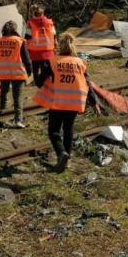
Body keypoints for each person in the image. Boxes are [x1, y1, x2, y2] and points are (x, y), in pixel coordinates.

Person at [33, 33, 98, 172]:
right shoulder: (80, 63)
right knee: (68, 130)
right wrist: (94, 102)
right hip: (75, 102)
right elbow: (88, 84)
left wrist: (50, 82)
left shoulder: (52, 61)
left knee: (54, 131)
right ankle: (67, 160)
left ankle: (61, 153)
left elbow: (39, 81)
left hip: (58, 101)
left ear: (60, 47)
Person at [0, 21, 32, 128]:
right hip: (17, 72)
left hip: (3, 72)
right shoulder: (20, 41)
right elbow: (26, 58)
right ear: (15, 29)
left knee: (4, 93)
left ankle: (2, 113)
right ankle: (18, 120)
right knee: (17, 96)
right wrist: (29, 70)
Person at [25, 5, 56, 88]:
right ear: (43, 13)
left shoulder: (30, 23)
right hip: (48, 52)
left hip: (35, 52)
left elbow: (27, 36)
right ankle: (46, 84)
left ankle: (37, 83)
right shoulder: (50, 22)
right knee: (46, 70)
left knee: (35, 71)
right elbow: (54, 35)